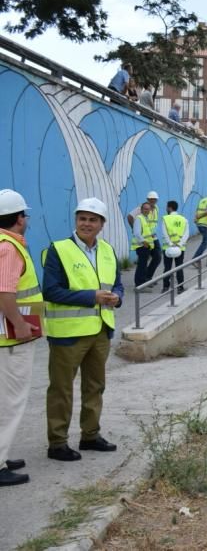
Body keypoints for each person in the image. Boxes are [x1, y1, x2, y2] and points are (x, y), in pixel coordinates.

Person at [43, 197, 123, 461]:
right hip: (68, 334)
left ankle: (90, 435)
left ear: (102, 224)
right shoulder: (59, 249)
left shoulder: (108, 251)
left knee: (95, 386)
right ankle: (57, 443)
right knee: (61, 389)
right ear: (76, 220)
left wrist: (117, 298)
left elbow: (118, 284)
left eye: (92, 220)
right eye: (82, 218)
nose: (86, 224)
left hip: (101, 330)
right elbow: (52, 291)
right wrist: (92, 297)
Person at [0, 190, 41, 487]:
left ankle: (2, 455)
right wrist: (20, 324)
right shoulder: (9, 248)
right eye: (24, 215)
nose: (26, 219)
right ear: (18, 218)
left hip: (8, 339)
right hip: (10, 340)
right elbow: (5, 292)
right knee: (10, 403)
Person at [128, 191, 161, 283]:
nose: (153, 201)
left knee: (157, 257)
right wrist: (134, 229)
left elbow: (154, 223)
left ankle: (147, 277)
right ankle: (142, 281)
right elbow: (130, 217)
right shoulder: (142, 209)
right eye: (151, 199)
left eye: (154, 199)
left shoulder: (156, 208)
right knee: (143, 261)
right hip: (144, 240)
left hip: (152, 238)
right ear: (147, 199)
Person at [160, 200, 189, 294]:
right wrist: (179, 244)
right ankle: (180, 287)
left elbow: (164, 233)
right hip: (180, 248)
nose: (166, 209)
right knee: (179, 267)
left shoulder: (165, 218)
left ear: (169, 208)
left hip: (167, 248)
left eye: (166, 207)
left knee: (167, 268)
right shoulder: (183, 219)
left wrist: (170, 244)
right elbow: (186, 234)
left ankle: (165, 287)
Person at [130, 202, 156, 290]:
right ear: (141, 210)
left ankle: (142, 283)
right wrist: (144, 242)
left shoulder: (145, 218)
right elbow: (136, 233)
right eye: (145, 209)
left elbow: (144, 232)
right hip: (141, 246)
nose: (147, 210)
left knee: (143, 265)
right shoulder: (139, 218)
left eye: (148, 209)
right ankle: (139, 285)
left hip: (145, 246)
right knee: (141, 266)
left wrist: (150, 237)